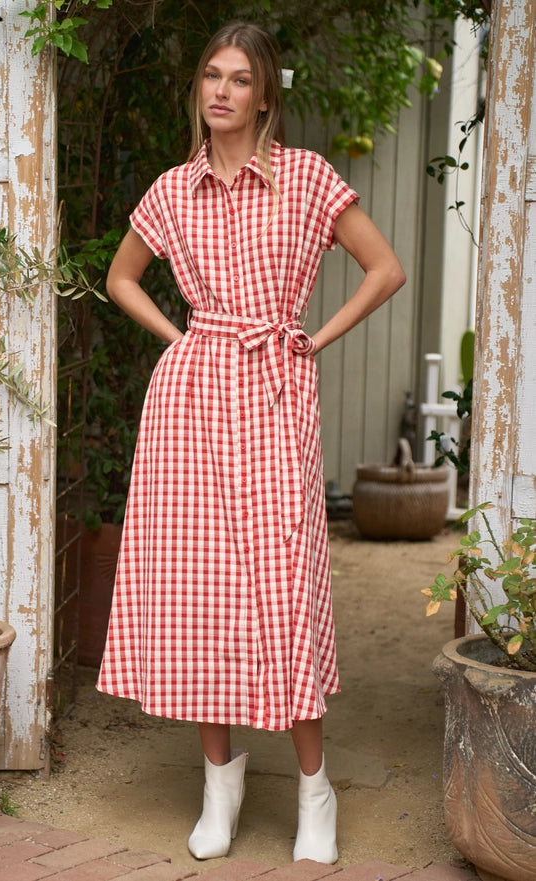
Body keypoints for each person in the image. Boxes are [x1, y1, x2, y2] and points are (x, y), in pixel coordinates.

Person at [97, 21, 406, 865]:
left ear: (265, 95)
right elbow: (122, 277)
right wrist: (179, 336)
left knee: (280, 584)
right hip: (193, 395)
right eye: (210, 75)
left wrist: (316, 336)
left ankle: (315, 791)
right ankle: (219, 783)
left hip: (272, 391)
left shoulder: (306, 179)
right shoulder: (170, 190)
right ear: (199, 89)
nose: (222, 90)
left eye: (240, 79)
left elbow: (384, 268)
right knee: (200, 587)